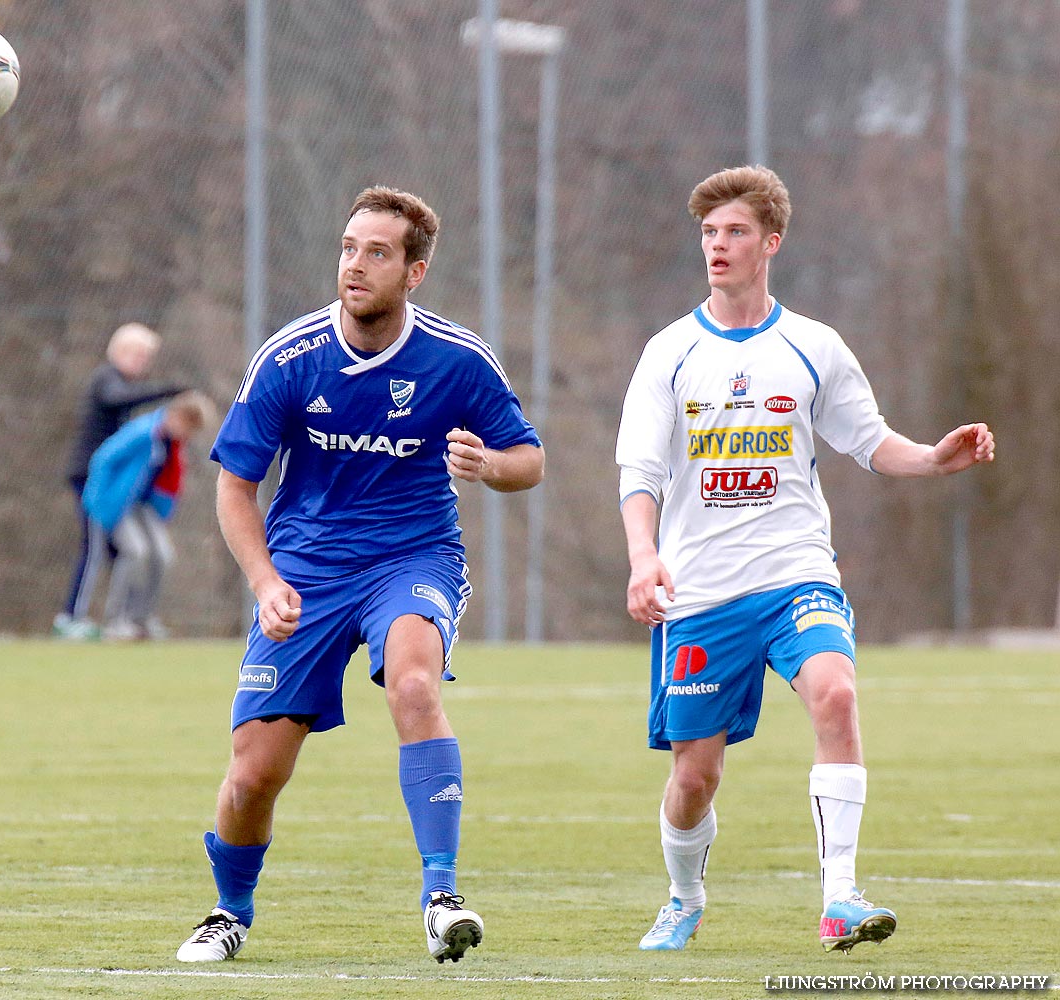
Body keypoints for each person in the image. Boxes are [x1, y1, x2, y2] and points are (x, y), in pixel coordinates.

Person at [615, 165, 994, 954]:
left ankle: (840, 899)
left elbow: (869, 442)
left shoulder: (812, 345)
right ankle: (684, 898)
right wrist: (643, 556)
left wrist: (931, 458)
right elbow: (640, 472)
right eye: (709, 233)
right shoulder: (670, 353)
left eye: (735, 233)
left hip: (795, 574)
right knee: (695, 778)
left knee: (835, 695)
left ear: (770, 242)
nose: (717, 246)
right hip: (700, 595)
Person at [176, 186, 544, 965]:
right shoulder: (289, 358)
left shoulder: (457, 360)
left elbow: (529, 460)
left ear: (414, 272)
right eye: (348, 247)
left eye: (377, 252)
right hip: (305, 571)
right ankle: (229, 911)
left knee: (413, 684)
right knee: (251, 778)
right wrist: (265, 582)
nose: (354, 264)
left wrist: (490, 466)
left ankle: (441, 895)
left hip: (412, 559)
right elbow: (234, 487)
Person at [55, 323, 186, 639]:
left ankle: (127, 619)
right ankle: (70, 618)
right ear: (120, 352)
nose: (142, 363)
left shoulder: (123, 386)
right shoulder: (107, 379)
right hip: (91, 477)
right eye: (138, 355)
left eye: (146, 357)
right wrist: (168, 390)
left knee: (126, 553)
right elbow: (119, 399)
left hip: (114, 483)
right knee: (95, 548)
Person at [81, 390, 217, 640]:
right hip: (117, 504)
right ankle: (116, 620)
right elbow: (103, 458)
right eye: (189, 428)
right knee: (136, 552)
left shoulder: (173, 444)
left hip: (144, 507)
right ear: (177, 417)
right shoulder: (143, 432)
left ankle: (141, 619)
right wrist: (102, 501)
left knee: (163, 555)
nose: (188, 436)